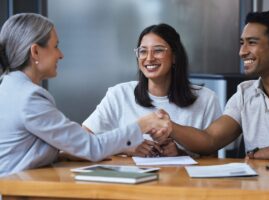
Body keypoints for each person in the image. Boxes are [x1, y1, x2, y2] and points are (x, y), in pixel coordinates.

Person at [0, 13, 171, 177]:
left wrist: (61, 154)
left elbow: (21, 149)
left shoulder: (9, 87)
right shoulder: (29, 98)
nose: (61, 55)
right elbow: (92, 147)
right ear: (35, 52)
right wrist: (142, 124)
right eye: (56, 46)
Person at [166, 10, 269, 161]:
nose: (242, 52)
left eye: (252, 42)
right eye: (242, 43)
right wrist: (169, 127)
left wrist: (257, 154)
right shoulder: (245, 93)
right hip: (260, 184)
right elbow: (210, 139)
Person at [83, 23, 221, 157]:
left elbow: (212, 155)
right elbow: (85, 140)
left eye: (158, 50)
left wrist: (180, 153)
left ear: (174, 56)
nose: (149, 58)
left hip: (182, 179)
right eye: (143, 51)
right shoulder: (119, 94)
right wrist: (124, 147)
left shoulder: (206, 99)